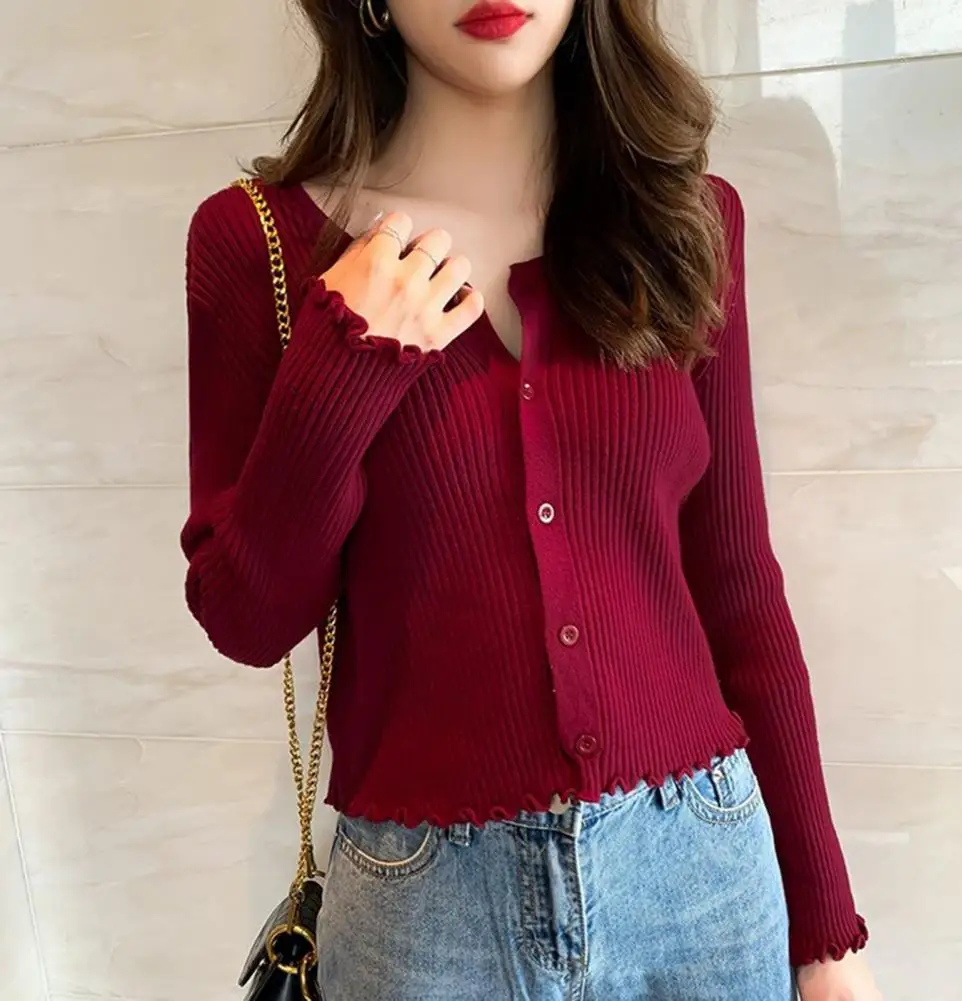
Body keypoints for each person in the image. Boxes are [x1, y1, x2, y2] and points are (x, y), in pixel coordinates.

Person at [181, 1, 884, 998]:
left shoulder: (684, 220)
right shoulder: (259, 244)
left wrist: (825, 934)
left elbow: (736, 583)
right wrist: (347, 354)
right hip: (424, 916)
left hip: (702, 879)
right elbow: (247, 616)